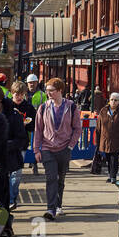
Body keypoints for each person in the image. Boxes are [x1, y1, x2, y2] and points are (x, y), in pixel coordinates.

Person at [32, 77, 81, 220]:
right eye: (47, 91)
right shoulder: (43, 108)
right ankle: (50, 209)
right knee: (51, 178)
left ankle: (58, 205)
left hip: (64, 148)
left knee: (60, 179)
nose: (48, 93)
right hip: (47, 148)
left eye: (51, 90)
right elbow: (38, 130)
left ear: (60, 90)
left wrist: (71, 146)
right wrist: (36, 149)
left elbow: (77, 128)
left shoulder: (71, 106)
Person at [0, 83, 26, 207]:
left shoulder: (14, 115)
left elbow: (21, 140)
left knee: (3, 197)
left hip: (7, 161)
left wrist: (4, 145)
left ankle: (10, 202)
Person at [8, 80, 36, 210]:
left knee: (17, 173)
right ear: (12, 93)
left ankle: (12, 198)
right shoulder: (7, 106)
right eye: (16, 94)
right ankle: (8, 197)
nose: (19, 97)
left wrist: (26, 124)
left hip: (22, 144)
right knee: (7, 173)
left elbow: (33, 125)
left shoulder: (29, 108)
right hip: (7, 143)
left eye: (21, 94)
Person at [97, 91, 119, 184]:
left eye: (116, 100)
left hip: (117, 139)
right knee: (108, 158)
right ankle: (110, 175)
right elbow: (98, 127)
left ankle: (113, 176)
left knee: (114, 158)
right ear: (109, 100)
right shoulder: (103, 111)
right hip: (105, 139)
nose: (113, 102)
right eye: (112, 100)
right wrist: (97, 140)